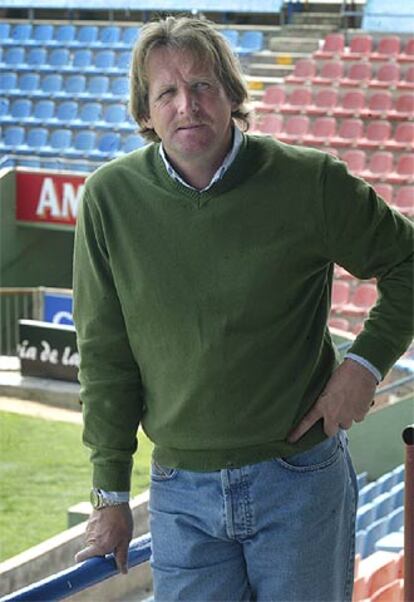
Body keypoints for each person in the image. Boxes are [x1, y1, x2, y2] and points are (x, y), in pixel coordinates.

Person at [73, 16, 414, 601]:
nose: (188, 106)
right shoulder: (108, 199)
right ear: (145, 112)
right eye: (167, 93)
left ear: (232, 93)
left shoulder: (310, 182)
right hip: (181, 496)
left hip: (301, 484)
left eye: (203, 86)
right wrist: (110, 494)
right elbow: (105, 355)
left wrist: (365, 364)